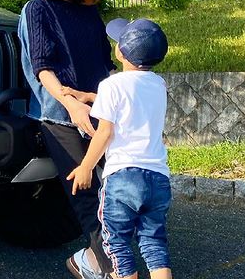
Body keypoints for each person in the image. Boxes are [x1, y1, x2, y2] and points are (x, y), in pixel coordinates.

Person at [18, 0, 115, 279]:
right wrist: (72, 105)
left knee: (115, 189)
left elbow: (105, 63)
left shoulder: (88, 12)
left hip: (98, 110)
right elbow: (42, 67)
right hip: (59, 113)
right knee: (86, 193)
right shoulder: (38, 8)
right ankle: (107, 269)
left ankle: (93, 262)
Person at [67, 18, 173, 279]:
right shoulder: (158, 85)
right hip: (158, 179)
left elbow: (105, 132)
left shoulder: (110, 85)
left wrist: (85, 167)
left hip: (123, 177)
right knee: (154, 243)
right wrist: (91, 97)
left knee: (117, 244)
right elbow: (132, 100)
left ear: (120, 52)